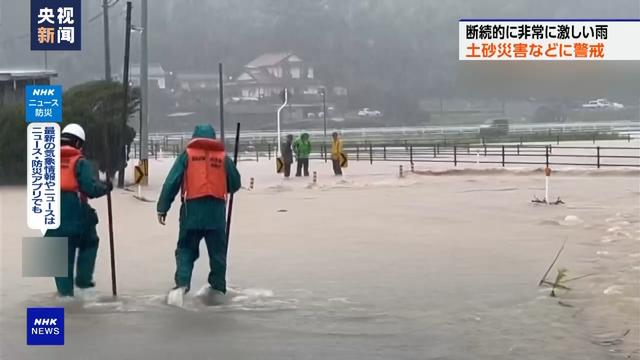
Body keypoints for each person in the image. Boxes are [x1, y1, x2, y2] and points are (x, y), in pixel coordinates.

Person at [157, 124, 241, 301]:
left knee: (186, 249)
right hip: (216, 212)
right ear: (213, 137)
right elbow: (235, 184)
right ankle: (217, 288)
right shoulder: (223, 157)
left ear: (194, 137)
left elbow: (172, 182)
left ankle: (181, 286)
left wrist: (162, 208)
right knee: (218, 252)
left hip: (192, 211)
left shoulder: (186, 156)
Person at [46, 123, 112, 297]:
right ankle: (83, 283)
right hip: (76, 217)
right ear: (78, 144)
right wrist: (106, 187)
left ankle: (64, 295)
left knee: (57, 258)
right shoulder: (81, 162)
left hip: (51, 218)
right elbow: (90, 189)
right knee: (90, 242)